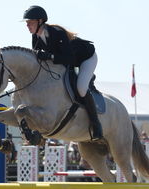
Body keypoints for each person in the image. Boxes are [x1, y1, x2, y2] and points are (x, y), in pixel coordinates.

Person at [23, 5, 102, 140]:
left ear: (40, 21)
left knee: (81, 89)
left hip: (86, 58)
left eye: (30, 22)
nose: (27, 25)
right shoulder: (35, 37)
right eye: (27, 23)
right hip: (66, 62)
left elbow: (69, 59)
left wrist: (50, 57)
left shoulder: (57, 32)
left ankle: (96, 125)